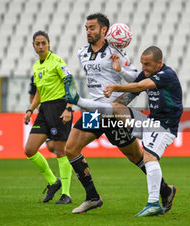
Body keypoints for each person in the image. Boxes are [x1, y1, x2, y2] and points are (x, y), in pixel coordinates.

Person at [64, 13, 175, 215]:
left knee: (135, 156)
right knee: (70, 148)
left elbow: (137, 80)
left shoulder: (116, 52)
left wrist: (119, 90)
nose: (88, 31)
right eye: (86, 28)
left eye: (92, 28)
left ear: (104, 30)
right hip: (94, 111)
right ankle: (92, 197)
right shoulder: (82, 53)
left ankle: (165, 190)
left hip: (114, 113)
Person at [24, 30, 73, 204]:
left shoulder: (57, 61)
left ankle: (66, 194)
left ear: (49, 43)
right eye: (37, 43)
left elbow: (70, 82)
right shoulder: (36, 66)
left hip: (59, 107)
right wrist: (31, 110)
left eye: (44, 43)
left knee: (61, 150)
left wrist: (68, 107)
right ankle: (54, 182)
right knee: (29, 149)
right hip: (44, 109)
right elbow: (38, 92)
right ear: (33, 46)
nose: (41, 46)